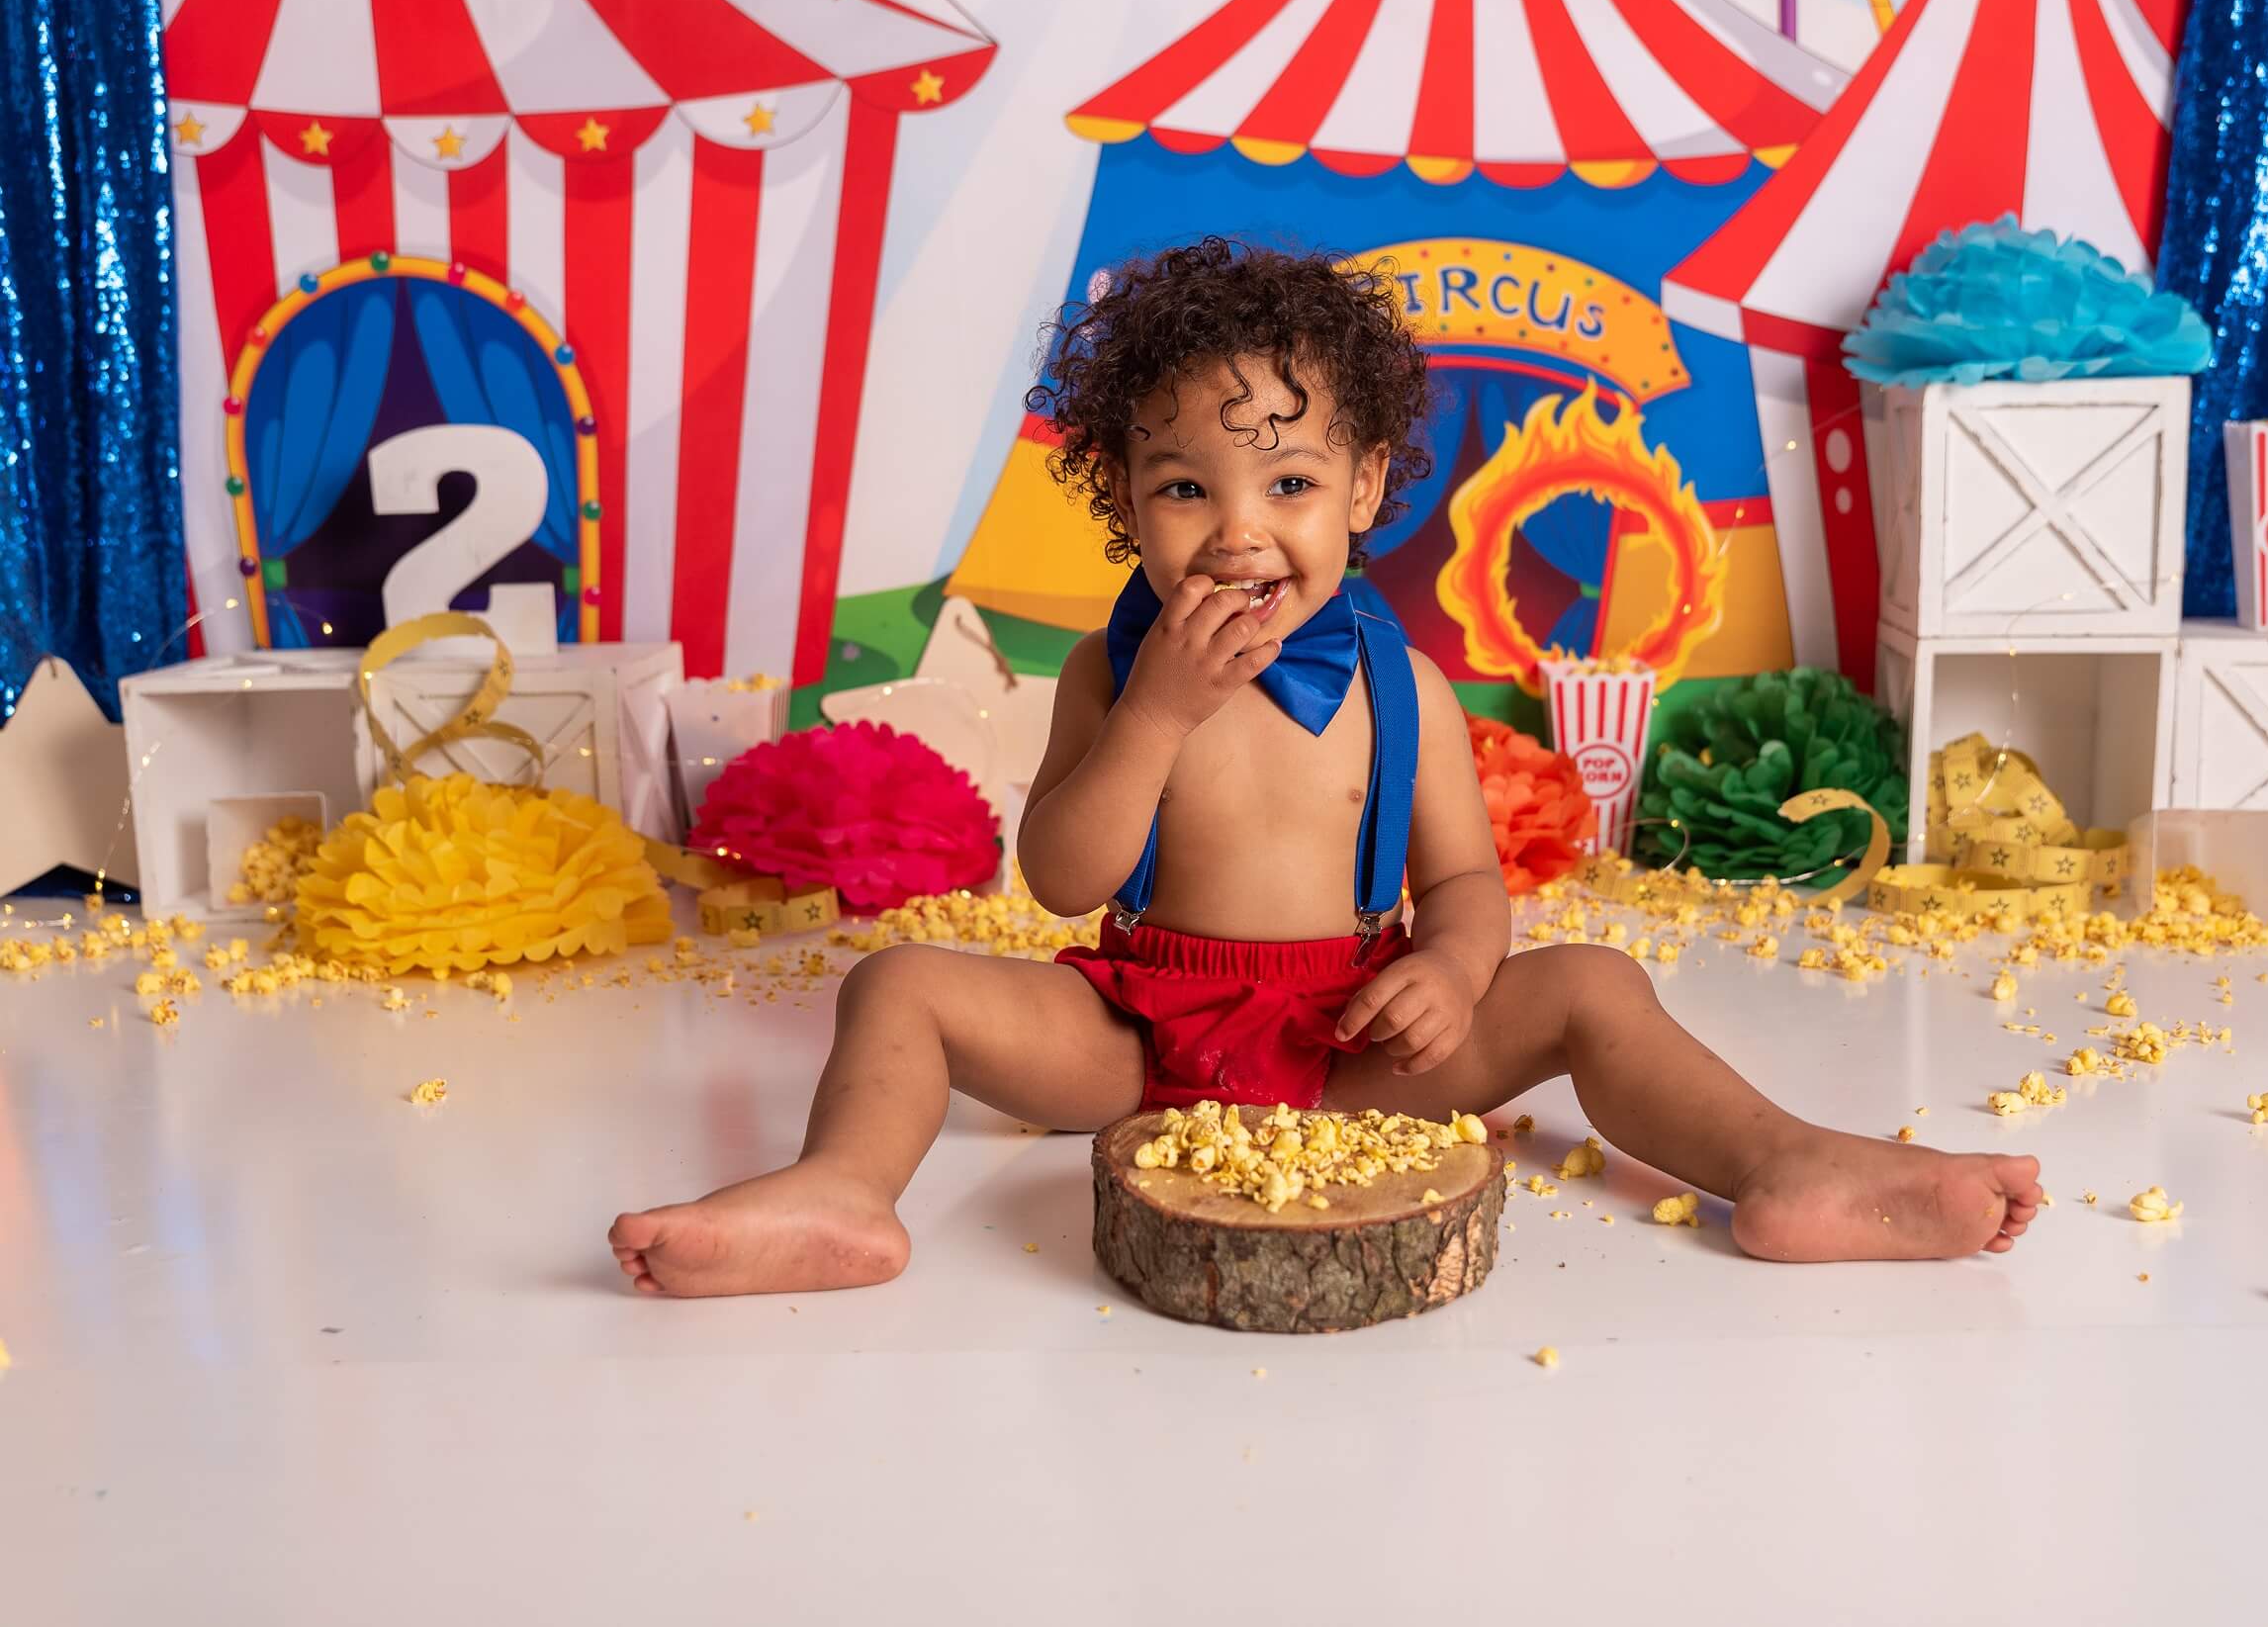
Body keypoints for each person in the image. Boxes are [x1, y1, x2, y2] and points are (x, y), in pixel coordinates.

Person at [609, 238, 2042, 1297]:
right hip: (1137, 1043)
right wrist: (1156, 720)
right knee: (900, 985)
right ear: (1121, 500)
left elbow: (1466, 879)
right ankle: (842, 1194)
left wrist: (1455, 972)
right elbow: (1057, 883)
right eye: (1186, 488)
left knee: (1594, 987)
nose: (1240, 533)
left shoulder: (1400, 683)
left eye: (1289, 485)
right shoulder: (1118, 671)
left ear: (1362, 490)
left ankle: (1784, 1160)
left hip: (1350, 1044)